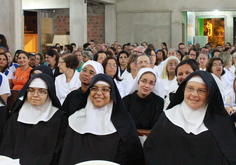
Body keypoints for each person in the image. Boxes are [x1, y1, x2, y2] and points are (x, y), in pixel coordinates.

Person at [144, 71, 236, 164]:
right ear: (183, 89)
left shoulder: (221, 122)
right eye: (190, 88)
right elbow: (152, 152)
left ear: (209, 94)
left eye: (201, 90)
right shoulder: (168, 117)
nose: (194, 94)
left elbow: (230, 156)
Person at [59, 74, 144, 165]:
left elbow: (131, 157)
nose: (99, 93)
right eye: (94, 88)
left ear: (112, 93)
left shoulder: (124, 122)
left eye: (104, 89)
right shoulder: (75, 120)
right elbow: (67, 156)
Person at [0, 73, 68, 165]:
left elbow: (59, 151)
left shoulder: (59, 118)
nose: (35, 95)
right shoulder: (16, 117)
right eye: (31, 90)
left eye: (41, 91)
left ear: (49, 93)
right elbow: (6, 147)